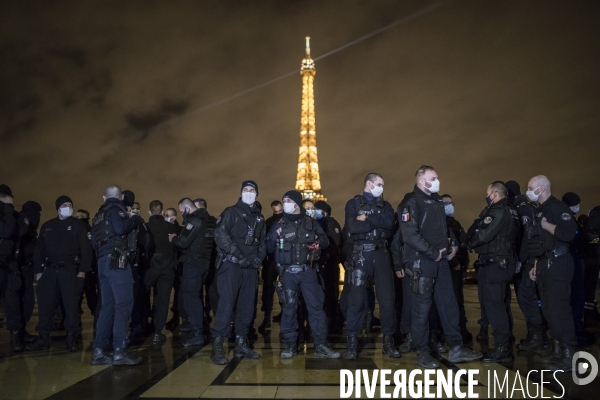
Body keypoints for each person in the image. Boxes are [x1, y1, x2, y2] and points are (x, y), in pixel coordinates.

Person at [398, 165, 482, 368]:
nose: (437, 180)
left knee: (449, 305)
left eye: (437, 176)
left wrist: (451, 244)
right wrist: (433, 253)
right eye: (433, 177)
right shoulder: (410, 202)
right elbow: (410, 235)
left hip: (441, 261)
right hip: (422, 262)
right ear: (421, 181)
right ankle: (422, 352)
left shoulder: (435, 201)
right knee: (422, 309)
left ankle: (456, 348)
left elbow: (445, 228)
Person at [267, 190, 340, 358]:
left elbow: (326, 241)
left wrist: (317, 241)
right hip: (288, 273)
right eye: (283, 200)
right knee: (289, 309)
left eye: (288, 200)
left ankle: (321, 344)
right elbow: (268, 248)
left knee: (316, 308)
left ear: (296, 203)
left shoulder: (311, 223)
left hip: (308, 272)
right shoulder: (279, 224)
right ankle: (290, 345)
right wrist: (273, 238)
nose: (285, 202)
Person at [344, 173, 400, 360]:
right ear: (369, 184)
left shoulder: (386, 206)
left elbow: (389, 224)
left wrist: (367, 217)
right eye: (379, 184)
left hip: (382, 253)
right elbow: (352, 227)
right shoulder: (353, 204)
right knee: (356, 299)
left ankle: (388, 341)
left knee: (387, 299)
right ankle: (352, 340)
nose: (381, 188)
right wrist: (376, 219)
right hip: (361, 253)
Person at [26, 196, 93, 352]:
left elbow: (86, 249)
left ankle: (71, 338)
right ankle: (43, 338)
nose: (68, 207)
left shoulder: (78, 226)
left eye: (70, 205)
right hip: (49, 271)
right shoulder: (48, 226)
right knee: (45, 306)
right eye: (64, 205)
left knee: (71, 307)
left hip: (70, 271)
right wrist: (38, 272)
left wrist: (83, 270)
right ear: (58, 208)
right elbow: (39, 249)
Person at [210, 180, 266, 365]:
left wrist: (259, 257)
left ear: (256, 194)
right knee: (226, 305)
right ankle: (217, 347)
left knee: (247, 306)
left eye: (252, 190)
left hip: (250, 267)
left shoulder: (259, 218)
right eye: (245, 190)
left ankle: (242, 343)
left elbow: (263, 242)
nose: (248, 192)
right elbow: (220, 235)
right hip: (232, 266)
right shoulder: (230, 212)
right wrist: (237, 254)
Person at [526, 175, 578, 372]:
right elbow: (542, 242)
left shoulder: (557, 208)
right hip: (545, 263)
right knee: (548, 309)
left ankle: (567, 355)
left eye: (531, 187)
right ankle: (556, 351)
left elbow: (569, 233)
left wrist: (547, 225)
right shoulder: (541, 210)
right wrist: (536, 264)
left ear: (542, 188)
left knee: (559, 310)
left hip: (559, 263)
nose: (528, 191)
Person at [90, 184, 144, 366]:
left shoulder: (98, 216)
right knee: (124, 305)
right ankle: (120, 350)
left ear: (103, 197)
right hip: (117, 262)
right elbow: (121, 228)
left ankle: (99, 350)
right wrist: (135, 219)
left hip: (102, 262)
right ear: (120, 198)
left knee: (107, 307)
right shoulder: (116, 210)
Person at [465, 182, 519, 362]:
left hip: (495, 265)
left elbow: (484, 235)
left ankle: (502, 348)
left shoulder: (497, 211)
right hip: (503, 263)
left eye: (488, 194)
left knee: (495, 307)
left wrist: (468, 243)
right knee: (500, 305)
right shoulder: (512, 211)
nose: (487, 197)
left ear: (495, 194)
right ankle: (504, 344)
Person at [505, 180, 546, 351]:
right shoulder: (529, 207)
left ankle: (537, 337)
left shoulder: (522, 210)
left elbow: (527, 238)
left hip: (526, 263)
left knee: (527, 299)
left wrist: (521, 261)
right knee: (534, 299)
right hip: (530, 261)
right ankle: (538, 334)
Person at [170, 198, 215, 346]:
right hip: (204, 264)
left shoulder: (194, 221)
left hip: (192, 264)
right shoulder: (210, 220)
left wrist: (173, 238)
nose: (182, 214)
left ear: (187, 209)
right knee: (196, 297)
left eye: (182, 211)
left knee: (191, 299)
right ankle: (202, 329)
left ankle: (197, 333)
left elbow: (183, 243)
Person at [0, 185, 29, 352]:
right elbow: (5, 231)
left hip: (9, 265)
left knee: (13, 303)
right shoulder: (8, 216)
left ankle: (16, 337)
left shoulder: (12, 216)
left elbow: (20, 231)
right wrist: (9, 213)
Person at [145, 200, 178, 342]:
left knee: (142, 296)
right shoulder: (170, 227)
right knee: (163, 299)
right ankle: (158, 331)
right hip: (167, 268)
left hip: (150, 267)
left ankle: (141, 325)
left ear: (149, 212)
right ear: (162, 211)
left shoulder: (145, 227)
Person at [441, 194, 472, 345]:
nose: (449, 205)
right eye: (446, 203)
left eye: (450, 202)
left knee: (458, 301)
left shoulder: (455, 224)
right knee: (451, 302)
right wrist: (454, 263)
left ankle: (461, 330)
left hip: (458, 268)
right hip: (449, 268)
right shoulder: (441, 223)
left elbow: (463, 246)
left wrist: (464, 266)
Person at [16, 201, 43, 344]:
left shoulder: (29, 228)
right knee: (23, 302)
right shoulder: (24, 224)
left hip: (25, 269)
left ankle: (20, 332)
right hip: (21, 269)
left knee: (25, 302)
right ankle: (18, 335)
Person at [314, 200, 343, 328]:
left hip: (329, 264)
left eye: (317, 210)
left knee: (330, 291)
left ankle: (333, 318)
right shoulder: (316, 223)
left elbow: (335, 243)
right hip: (321, 263)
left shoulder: (331, 223)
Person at [258, 200, 283, 333]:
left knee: (277, 288)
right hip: (273, 259)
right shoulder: (269, 222)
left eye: (280, 211)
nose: (278, 214)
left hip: (277, 260)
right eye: (276, 212)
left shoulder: (268, 222)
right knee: (269, 288)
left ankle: (270, 316)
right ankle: (268, 315)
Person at [74, 209, 98, 317]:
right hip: (88, 268)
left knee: (87, 294)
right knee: (89, 294)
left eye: (77, 217)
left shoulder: (82, 231)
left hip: (86, 268)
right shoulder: (91, 231)